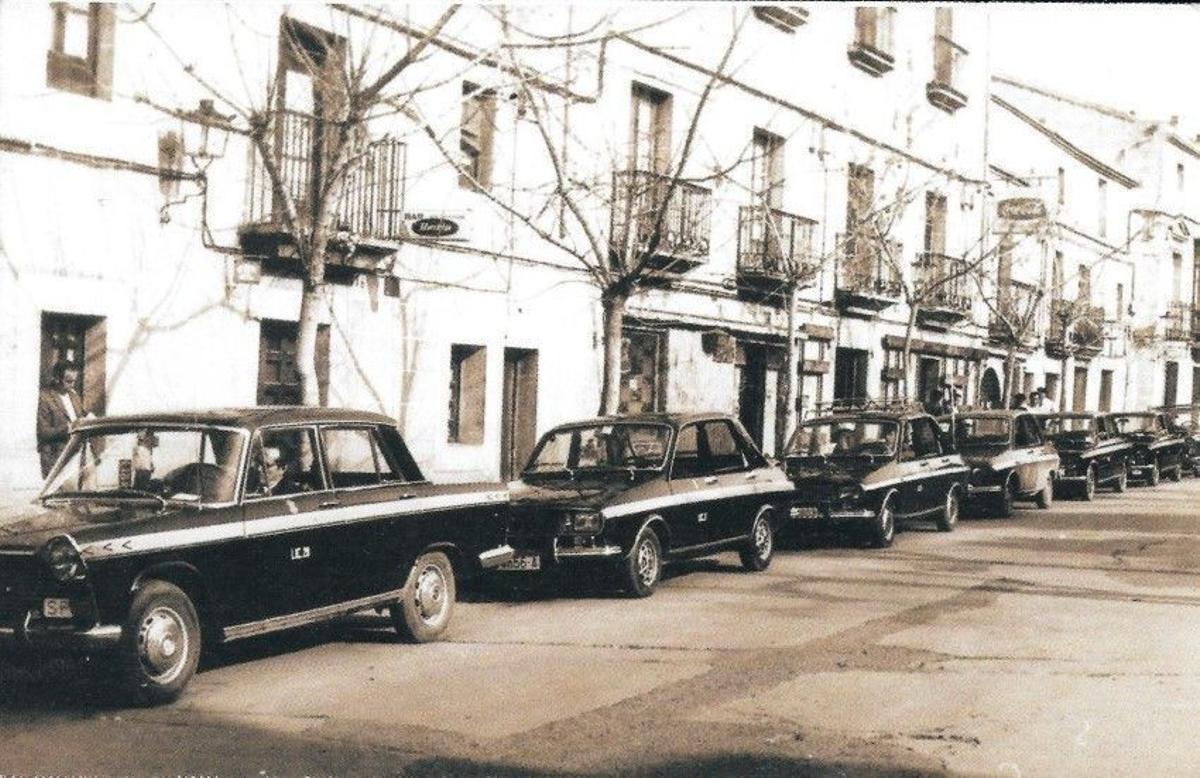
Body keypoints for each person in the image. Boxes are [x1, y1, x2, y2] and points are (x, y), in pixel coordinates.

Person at [36, 362, 84, 478]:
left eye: (74, 381)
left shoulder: (74, 396)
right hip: (56, 458)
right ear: (57, 378)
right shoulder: (45, 398)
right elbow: (43, 432)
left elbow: (81, 417)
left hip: (77, 458)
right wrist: (68, 428)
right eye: (68, 381)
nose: (72, 385)